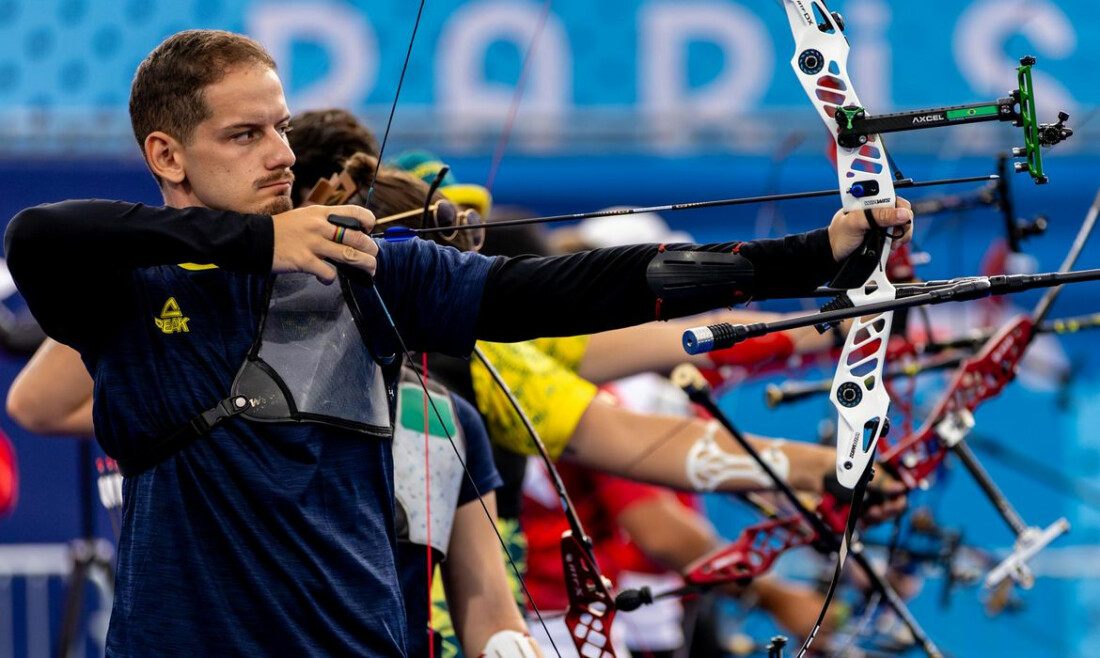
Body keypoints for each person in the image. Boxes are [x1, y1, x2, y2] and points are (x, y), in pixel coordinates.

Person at [4, 30, 912, 658]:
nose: (278, 152)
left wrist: (810, 257)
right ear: (168, 157)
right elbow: (38, 235)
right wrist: (256, 244)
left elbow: (571, 288)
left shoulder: (375, 273)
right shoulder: (127, 297)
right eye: (244, 134)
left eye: (280, 125)